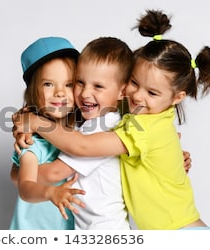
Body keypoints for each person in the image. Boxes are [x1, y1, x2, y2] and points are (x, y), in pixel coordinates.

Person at [12, 10, 210, 230]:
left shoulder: (115, 126)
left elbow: (79, 147)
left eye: (152, 92)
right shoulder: (126, 119)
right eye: (79, 82)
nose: (137, 96)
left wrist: (33, 125)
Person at [31, 37, 134, 230]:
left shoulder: (103, 127)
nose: (85, 93)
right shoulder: (90, 123)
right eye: (80, 82)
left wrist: (21, 173)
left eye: (98, 86)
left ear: (122, 91)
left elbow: (54, 173)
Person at [9, 37, 85, 230]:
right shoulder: (33, 142)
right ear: (34, 90)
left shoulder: (82, 129)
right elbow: (25, 188)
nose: (60, 93)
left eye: (68, 84)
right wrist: (50, 193)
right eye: (48, 84)